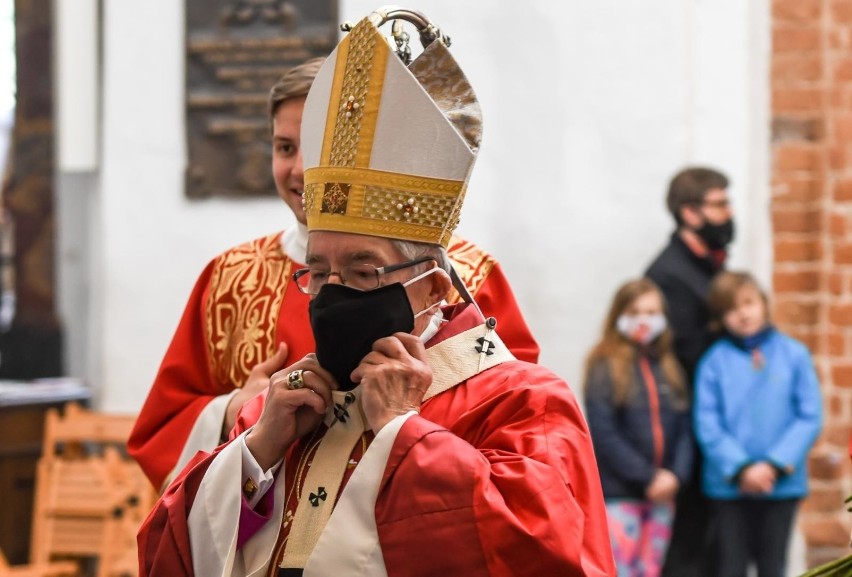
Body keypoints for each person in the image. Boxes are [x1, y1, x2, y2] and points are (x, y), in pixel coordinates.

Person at [137, 10, 615, 576]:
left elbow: (539, 554)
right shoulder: (285, 409)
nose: (333, 295)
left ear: (437, 283)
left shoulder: (520, 404)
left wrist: (402, 433)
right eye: (317, 272)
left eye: (364, 272)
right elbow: (167, 552)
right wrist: (256, 450)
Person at [128, 57, 540, 491]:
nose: (302, 170)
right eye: (285, 147)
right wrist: (236, 412)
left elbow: (510, 428)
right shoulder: (230, 277)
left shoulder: (464, 276)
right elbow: (160, 432)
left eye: (320, 148)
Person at [694, 271, 822, 577]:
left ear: (763, 303)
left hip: (781, 485)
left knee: (772, 566)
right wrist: (742, 468)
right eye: (731, 308)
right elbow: (707, 421)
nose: (742, 314)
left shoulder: (794, 355)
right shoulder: (714, 362)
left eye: (748, 303)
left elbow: (809, 414)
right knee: (731, 566)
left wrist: (774, 465)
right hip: (729, 487)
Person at [644, 165, 734, 577]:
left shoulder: (710, 266)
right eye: (719, 204)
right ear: (689, 213)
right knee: (689, 547)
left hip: (714, 422)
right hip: (689, 429)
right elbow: (686, 359)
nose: (728, 213)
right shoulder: (668, 274)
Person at [584, 278, 692, 577]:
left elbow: (685, 426)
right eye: (635, 312)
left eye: (652, 312)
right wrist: (647, 477)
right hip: (621, 495)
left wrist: (675, 476)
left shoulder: (669, 366)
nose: (644, 320)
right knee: (619, 569)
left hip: (663, 495)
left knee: (651, 570)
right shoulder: (604, 365)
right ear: (620, 315)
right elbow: (604, 433)